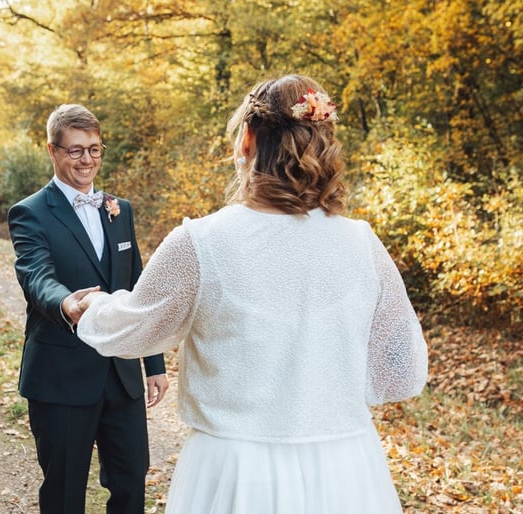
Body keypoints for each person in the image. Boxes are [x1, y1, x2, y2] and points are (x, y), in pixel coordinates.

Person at [69, 75, 428, 513]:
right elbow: (403, 368)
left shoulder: (201, 242)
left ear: (247, 139)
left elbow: (133, 331)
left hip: (236, 472)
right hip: (346, 470)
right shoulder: (362, 244)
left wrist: (89, 307)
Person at [7, 103, 169, 514]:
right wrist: (66, 302)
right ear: (53, 151)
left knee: (132, 481)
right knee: (64, 493)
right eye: (76, 150)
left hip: (121, 375)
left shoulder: (120, 209)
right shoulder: (30, 212)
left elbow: (137, 291)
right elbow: (36, 276)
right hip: (61, 377)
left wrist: (153, 363)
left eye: (94, 149)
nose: (87, 160)